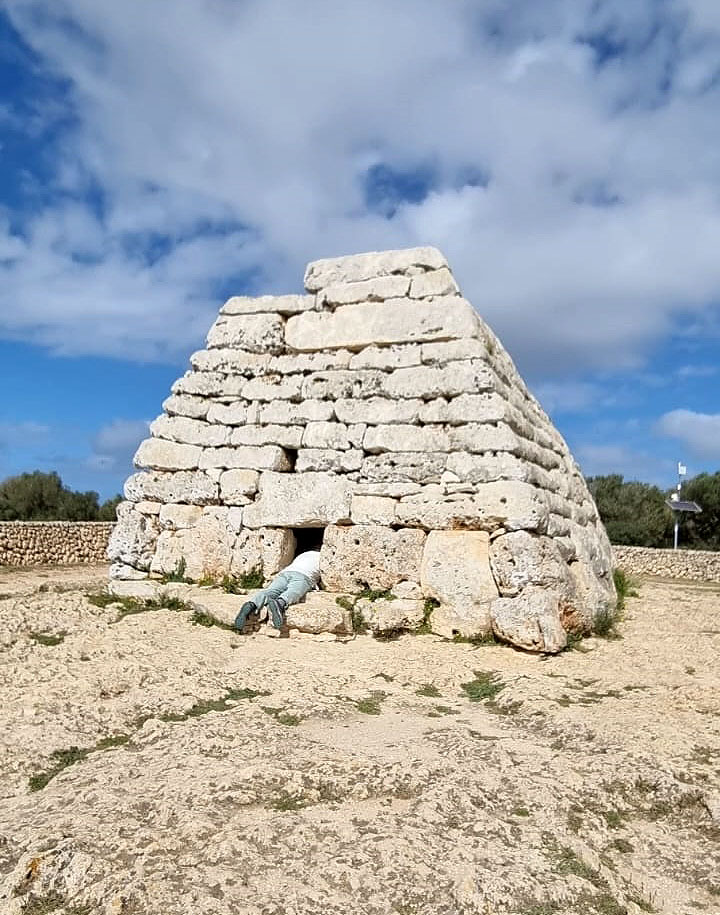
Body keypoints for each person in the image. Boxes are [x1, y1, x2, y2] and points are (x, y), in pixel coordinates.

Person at [234, 550, 321, 632]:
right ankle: (280, 603)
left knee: (271, 591)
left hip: (285, 573)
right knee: (294, 591)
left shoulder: (304, 554)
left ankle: (251, 604)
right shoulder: (322, 559)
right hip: (304, 576)